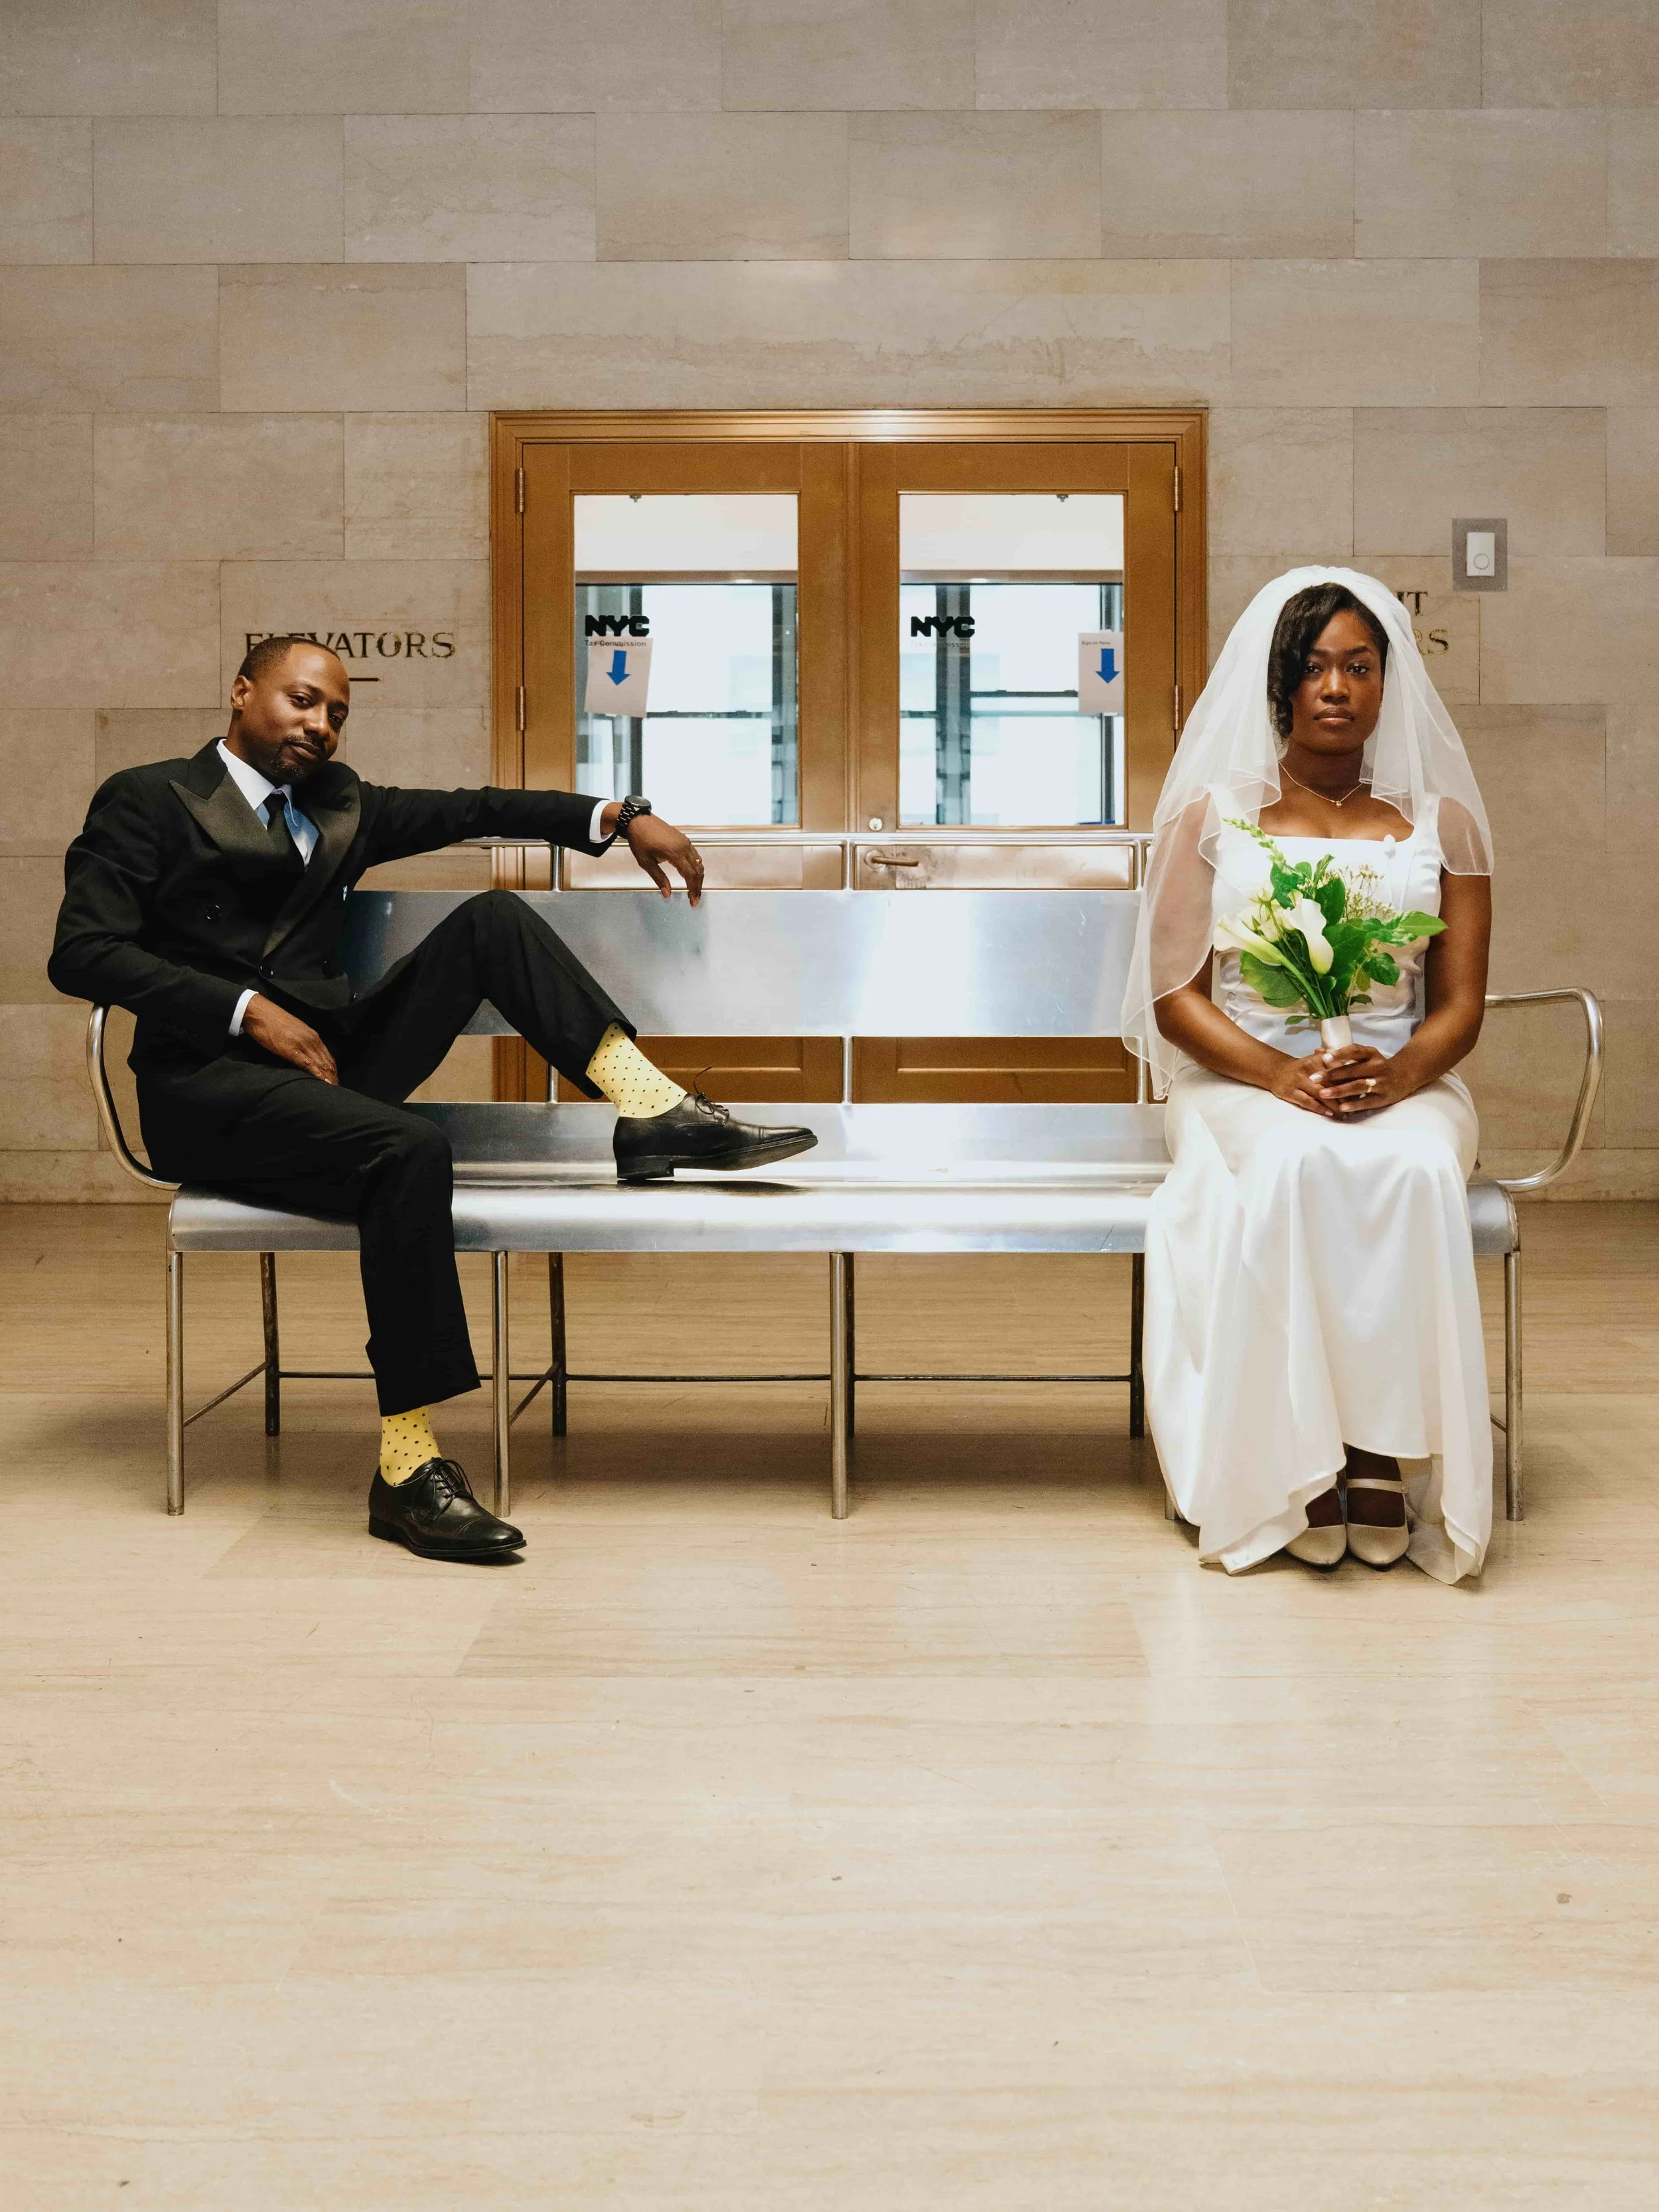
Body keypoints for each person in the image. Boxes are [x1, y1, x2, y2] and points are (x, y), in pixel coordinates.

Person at [50, 635, 817, 1564]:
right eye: (301, 701)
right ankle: (408, 1468)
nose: (320, 725)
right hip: (208, 1089)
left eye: (336, 712)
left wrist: (620, 815)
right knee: (407, 1150)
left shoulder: (338, 803)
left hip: (327, 1065)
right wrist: (246, 1010)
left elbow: (476, 808)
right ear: (243, 691)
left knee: (492, 920)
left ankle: (648, 1109)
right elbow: (82, 952)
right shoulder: (147, 799)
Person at [1121, 570, 1494, 1582]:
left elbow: (1458, 1007)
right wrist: (1285, 1076)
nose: (1337, 686)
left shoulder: (1442, 823)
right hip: (1243, 1080)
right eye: (1316, 666)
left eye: (1359, 667)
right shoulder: (1213, 817)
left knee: (1412, 1174)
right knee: (1295, 1168)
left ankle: (1381, 1450)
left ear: (1387, 685)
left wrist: (1402, 1075)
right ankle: (1304, 1456)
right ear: (1282, 683)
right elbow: (1177, 998)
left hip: (1401, 1082)